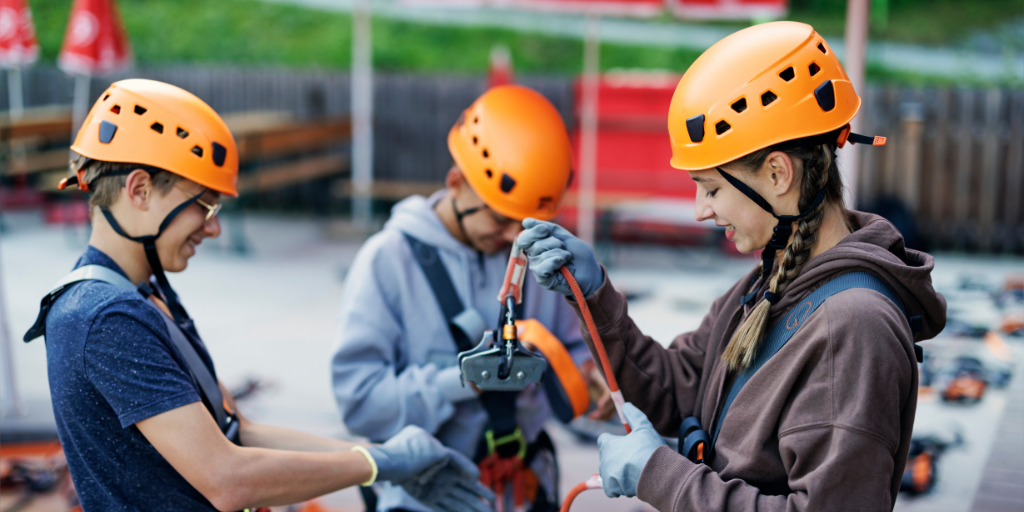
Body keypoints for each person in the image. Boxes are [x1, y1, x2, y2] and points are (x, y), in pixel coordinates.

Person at [517, 22, 947, 512]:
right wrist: (595, 295)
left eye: (712, 188)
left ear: (778, 174)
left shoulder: (852, 331)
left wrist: (660, 475)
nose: (701, 209)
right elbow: (678, 390)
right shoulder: (770, 283)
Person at [24, 79, 491, 512]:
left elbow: (237, 430)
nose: (214, 226)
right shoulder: (105, 319)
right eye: (204, 205)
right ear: (140, 189)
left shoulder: (145, 293)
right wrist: (375, 468)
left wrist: (378, 456)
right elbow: (226, 478)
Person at [331, 84, 614, 512]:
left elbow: (568, 349)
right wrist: (460, 381)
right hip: (424, 497)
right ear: (455, 183)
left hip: (521, 485)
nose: (512, 240)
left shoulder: (534, 259)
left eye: (525, 226)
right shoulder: (389, 261)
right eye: (501, 220)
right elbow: (361, 404)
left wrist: (589, 375)